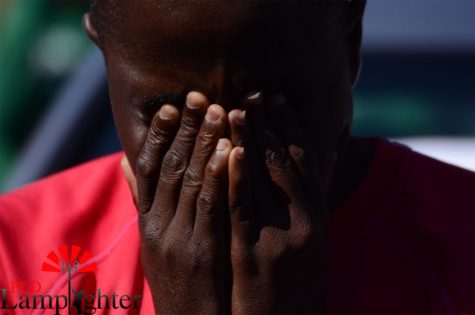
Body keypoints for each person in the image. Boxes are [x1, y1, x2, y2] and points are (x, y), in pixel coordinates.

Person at [0, 1, 474, 314]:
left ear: (350, 45)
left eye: (274, 110)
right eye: (168, 116)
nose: (228, 159)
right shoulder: (18, 263)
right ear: (104, 55)